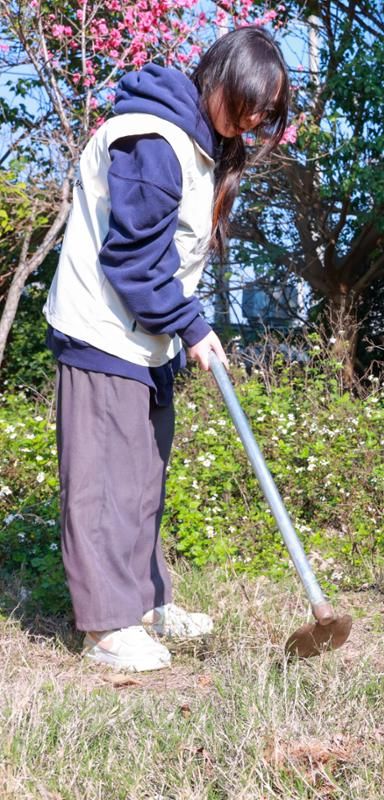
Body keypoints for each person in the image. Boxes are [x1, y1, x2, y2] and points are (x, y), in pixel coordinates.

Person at [43, 27, 290, 671]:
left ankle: (146, 602)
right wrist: (192, 325)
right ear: (218, 78)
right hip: (102, 330)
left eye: (267, 112)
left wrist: (178, 331)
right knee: (102, 483)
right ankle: (106, 627)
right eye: (250, 103)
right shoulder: (154, 140)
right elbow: (130, 260)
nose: (255, 119)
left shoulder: (202, 146)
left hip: (145, 337)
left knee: (140, 479)